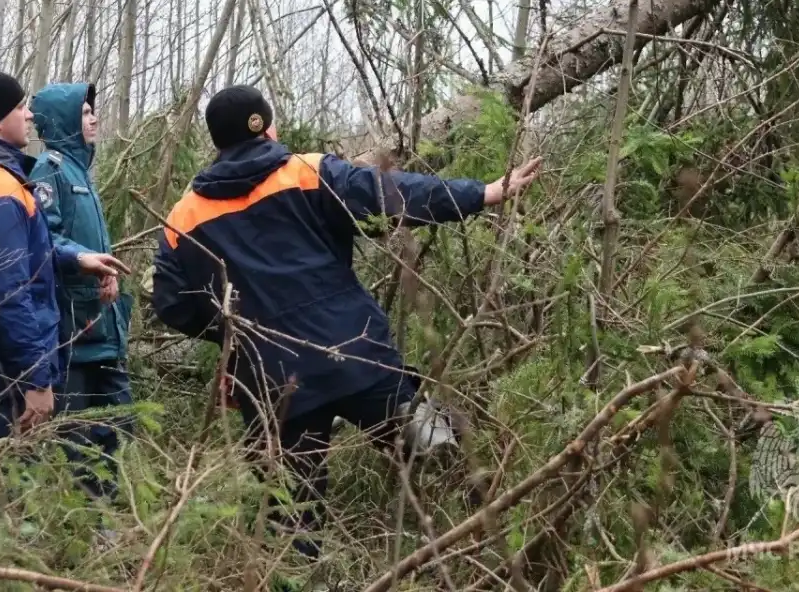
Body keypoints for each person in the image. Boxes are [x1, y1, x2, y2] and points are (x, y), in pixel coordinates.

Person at [149, 85, 541, 561]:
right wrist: (481, 193)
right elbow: (394, 195)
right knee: (445, 448)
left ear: (217, 141)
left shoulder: (182, 217)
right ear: (266, 127)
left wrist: (234, 332)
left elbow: (172, 304)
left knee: (292, 518)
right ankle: (510, 541)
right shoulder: (307, 172)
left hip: (273, 383)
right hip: (357, 357)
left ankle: (305, 571)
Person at [0, 69, 129, 446]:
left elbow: (0, 258)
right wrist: (36, 377)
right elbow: (6, 291)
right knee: (3, 487)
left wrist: (74, 259)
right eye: (21, 107)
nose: (30, 115)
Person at [29, 82, 134, 501]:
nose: (94, 118)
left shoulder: (80, 172)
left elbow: (88, 245)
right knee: (79, 438)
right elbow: (40, 239)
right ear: (64, 119)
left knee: (119, 426)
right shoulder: (50, 170)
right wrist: (78, 260)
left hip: (104, 329)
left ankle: (111, 516)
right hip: (75, 334)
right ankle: (87, 521)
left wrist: (105, 269)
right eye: (86, 112)